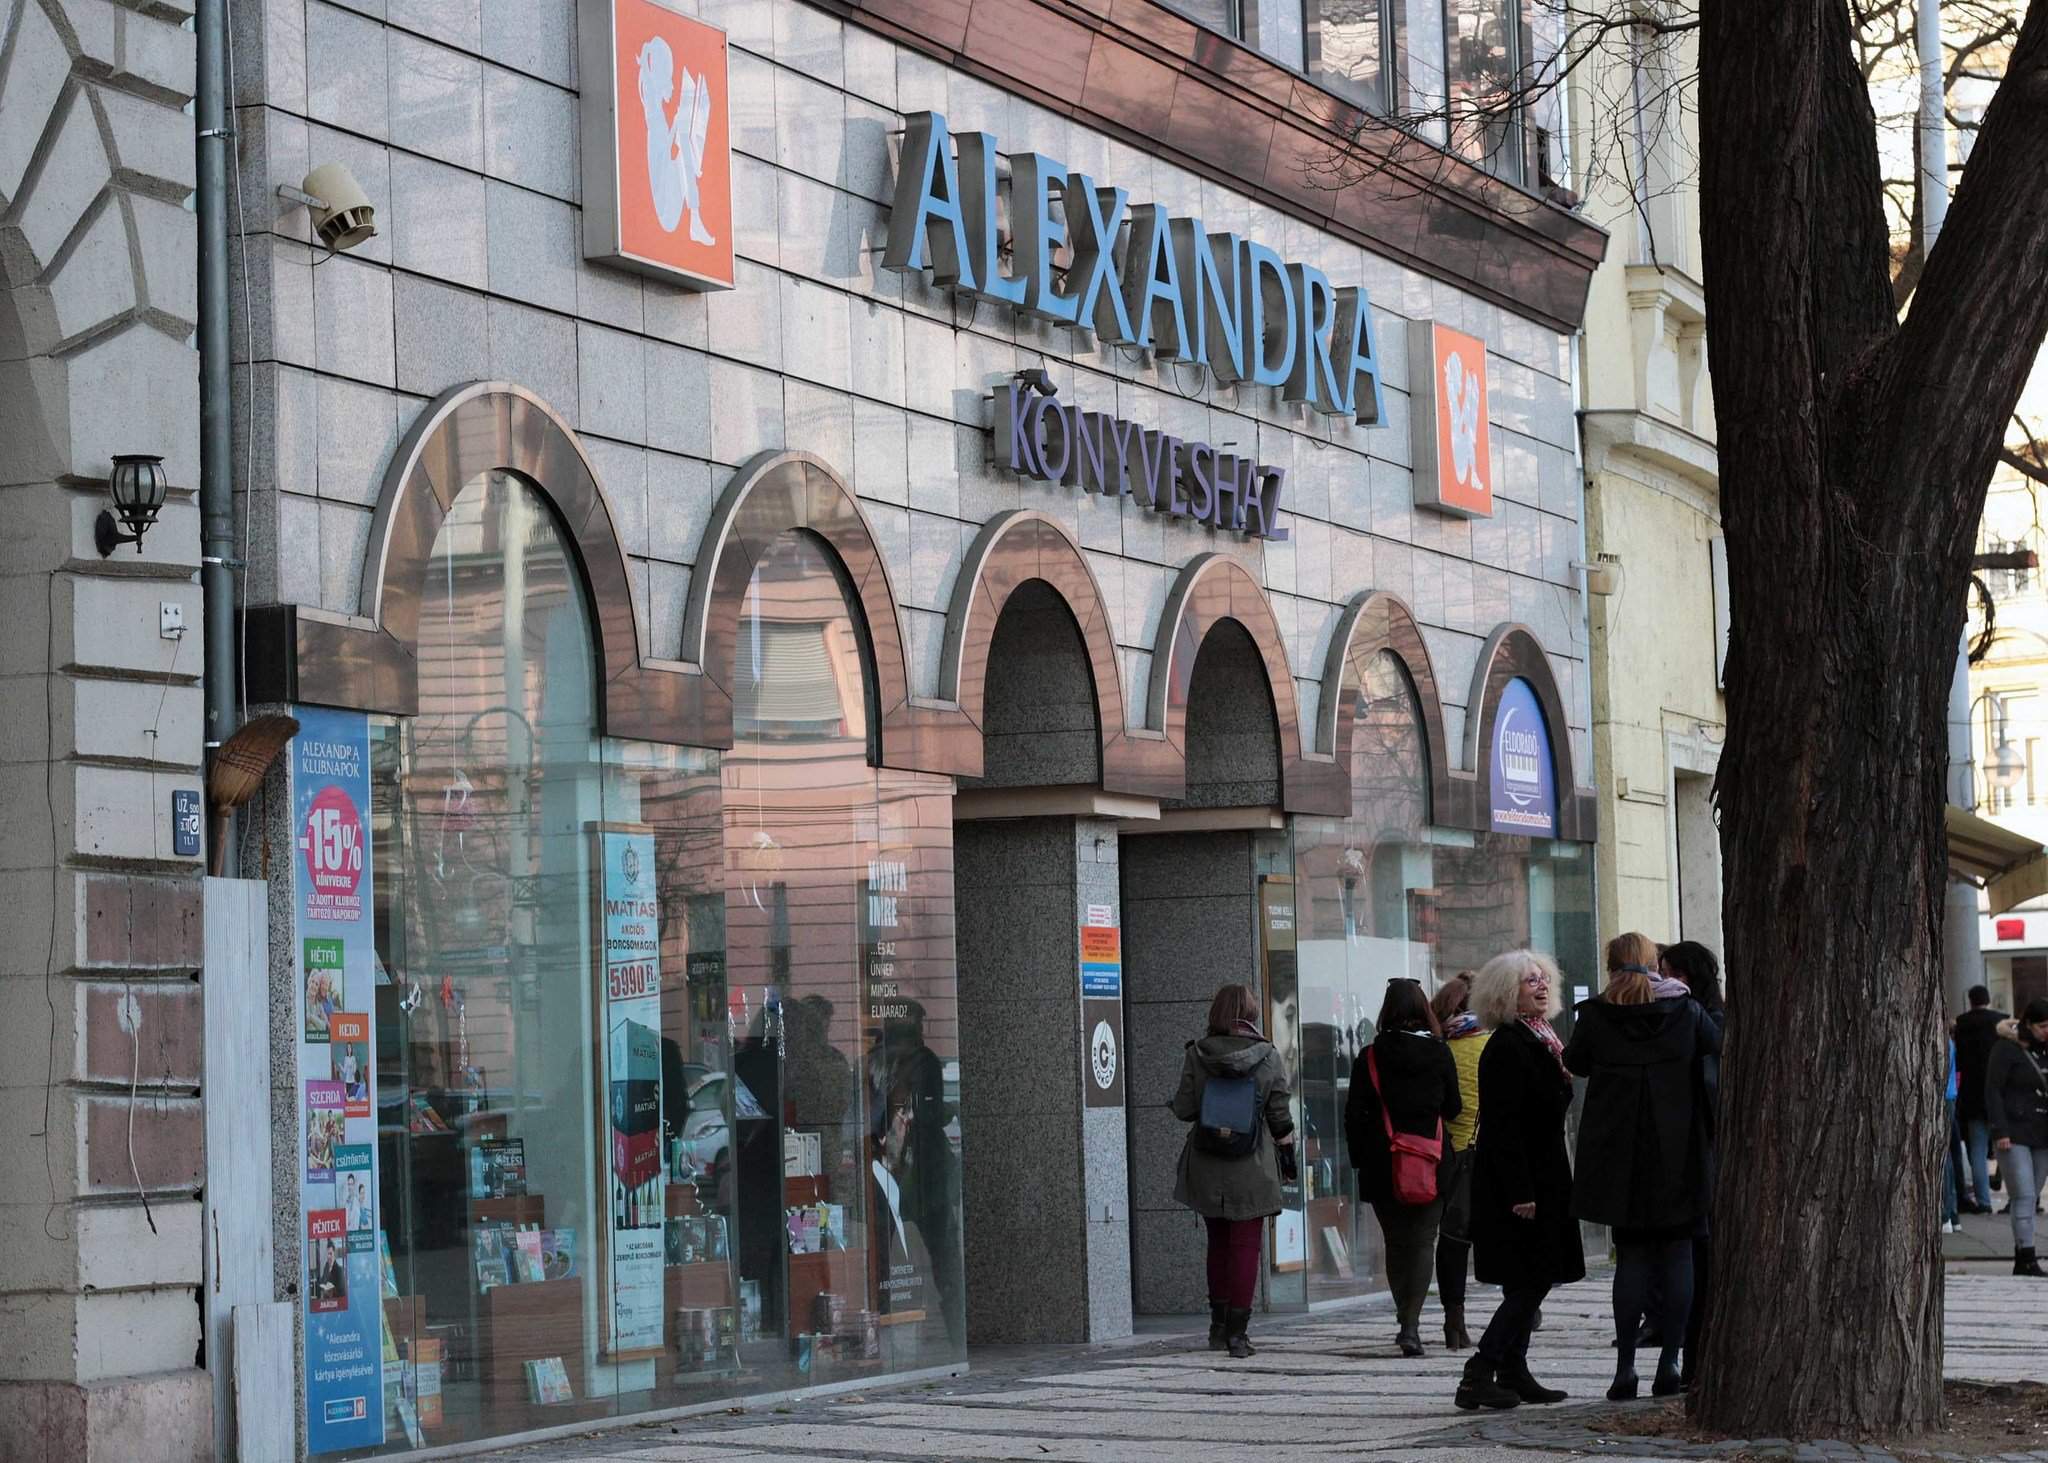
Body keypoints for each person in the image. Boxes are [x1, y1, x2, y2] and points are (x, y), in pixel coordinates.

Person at [1568, 933, 1720, 1401]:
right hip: (1679, 1153)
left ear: (1611, 966)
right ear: (1654, 965)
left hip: (1621, 1157)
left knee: (1631, 1259)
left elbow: (1576, 1062)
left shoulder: (1596, 1015)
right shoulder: (1686, 1011)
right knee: (1679, 1256)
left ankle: (1625, 1368)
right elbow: (1716, 1045)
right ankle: (1671, 1360)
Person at [1454, 950, 1582, 1412]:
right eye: (1531, 981)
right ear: (1507, 993)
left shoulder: (1542, 1038)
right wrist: (1521, 1191)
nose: (1542, 986)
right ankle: (1480, 1370)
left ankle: (1513, 1369)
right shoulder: (1509, 1045)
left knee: (1528, 1279)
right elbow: (1504, 1126)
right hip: (1522, 1181)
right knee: (1533, 1277)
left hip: (1545, 1172)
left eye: (1544, 979)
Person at [1171, 982, 1296, 1359]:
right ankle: (1238, 1336)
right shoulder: (1267, 1055)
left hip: (1207, 1161)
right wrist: (1288, 1160)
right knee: (1245, 1247)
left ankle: (1218, 1326)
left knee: (1219, 1243)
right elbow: (1279, 1116)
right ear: (1252, 1014)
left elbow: (1184, 1109)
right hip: (1251, 1164)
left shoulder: (1197, 1053)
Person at [1345, 979, 1460, 1357]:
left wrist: (1360, 1161)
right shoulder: (1439, 1052)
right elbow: (1454, 1108)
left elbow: (1354, 1115)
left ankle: (1405, 1321)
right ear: (1424, 1009)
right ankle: (1411, 1322)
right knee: (1424, 1241)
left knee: (1395, 1242)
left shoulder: (1370, 1057)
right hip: (1431, 1160)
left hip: (1382, 1164)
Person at [1657, 938, 1724, 1385]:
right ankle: (1691, 1358)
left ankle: (1696, 1359)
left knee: (1700, 1262)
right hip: (1697, 1157)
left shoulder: (1703, 1024)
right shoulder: (1704, 1020)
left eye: (1666, 973)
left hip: (1703, 1156)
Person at [1431, 974, 1488, 1351]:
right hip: (1486, 1151)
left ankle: (1454, 1319)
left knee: (1452, 1239)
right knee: (1502, 1231)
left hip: (1446, 1154)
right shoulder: (1493, 1043)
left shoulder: (1439, 1048)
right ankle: (1523, 1306)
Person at [1985, 998, 2048, 1276]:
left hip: (2041, 1133)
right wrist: (2000, 1130)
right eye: (2043, 1026)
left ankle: (2023, 1255)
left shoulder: (2044, 1051)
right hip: (2014, 1132)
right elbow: (1993, 1090)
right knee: (2023, 1194)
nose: (2046, 1032)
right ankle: (2026, 1256)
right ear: (2028, 1024)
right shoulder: (2006, 1049)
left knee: (2031, 1195)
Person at [1958, 984, 2010, 1214]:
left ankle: (1984, 1202)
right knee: (2005, 1147)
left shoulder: (1962, 1024)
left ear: (1970, 1001)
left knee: (1977, 1151)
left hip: (1972, 1095)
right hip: (1999, 1095)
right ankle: (2013, 1194)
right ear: (1988, 1000)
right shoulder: (2002, 1021)